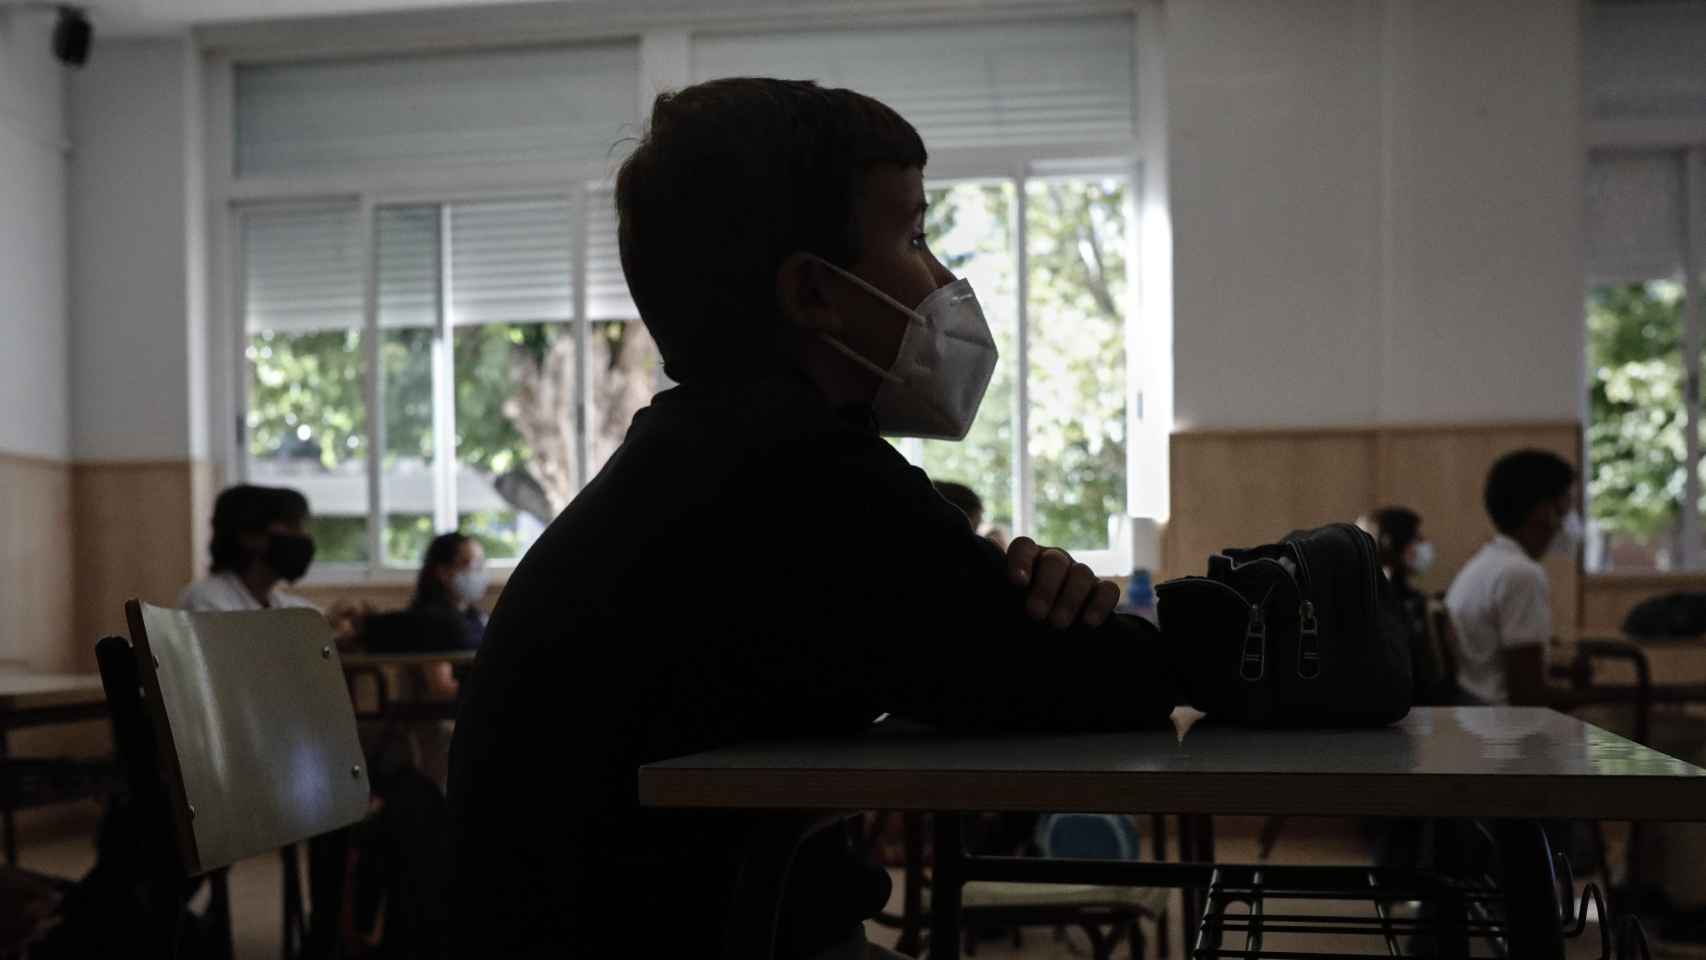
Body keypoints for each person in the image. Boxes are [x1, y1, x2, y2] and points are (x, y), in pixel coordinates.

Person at [447, 78, 1188, 960]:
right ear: (814, 294)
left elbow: (993, 657)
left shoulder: (715, 450)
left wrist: (1041, 615)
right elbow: (1103, 677)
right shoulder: (792, 473)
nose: (946, 279)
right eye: (915, 235)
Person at [1444, 450, 1580, 705]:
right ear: (1543, 511)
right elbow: (1528, 697)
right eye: (1567, 504)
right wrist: (1613, 697)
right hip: (1506, 730)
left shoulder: (1484, 563)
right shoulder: (1521, 575)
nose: (1570, 519)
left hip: (1477, 714)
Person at [178, 484, 319, 612]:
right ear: (250, 536)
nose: (304, 536)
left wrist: (329, 630)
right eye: (292, 526)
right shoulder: (206, 598)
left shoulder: (287, 605)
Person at [1366, 506, 1452, 704]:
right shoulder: (1390, 601)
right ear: (1392, 544)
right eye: (1417, 539)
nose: (1424, 546)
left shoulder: (1416, 600)